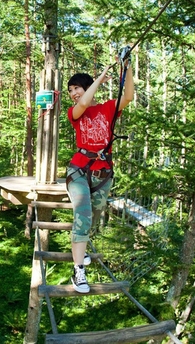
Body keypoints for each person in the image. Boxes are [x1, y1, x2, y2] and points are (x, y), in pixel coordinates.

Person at [65, 54, 135, 293]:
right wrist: (101, 78)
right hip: (79, 170)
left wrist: (127, 67)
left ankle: (79, 251)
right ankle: (78, 272)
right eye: (71, 90)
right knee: (83, 214)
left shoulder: (107, 109)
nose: (74, 93)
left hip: (102, 172)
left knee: (93, 217)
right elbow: (83, 104)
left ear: (87, 87)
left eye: (77, 88)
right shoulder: (74, 111)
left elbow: (128, 96)